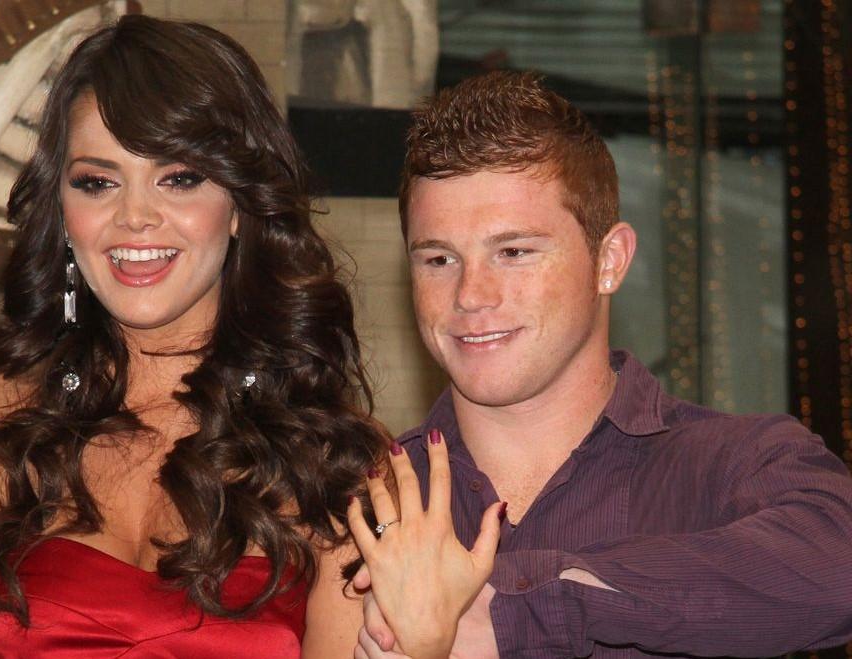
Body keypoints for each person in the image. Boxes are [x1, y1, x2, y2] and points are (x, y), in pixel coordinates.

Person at [0, 16, 389, 658]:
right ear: (62, 212)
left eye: (179, 178)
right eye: (98, 183)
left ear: (240, 204)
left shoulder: (337, 462)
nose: (135, 217)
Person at [348, 70, 852, 658]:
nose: (470, 295)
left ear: (609, 261)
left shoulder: (733, 464)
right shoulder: (363, 501)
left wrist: (509, 613)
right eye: (438, 259)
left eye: (513, 252)